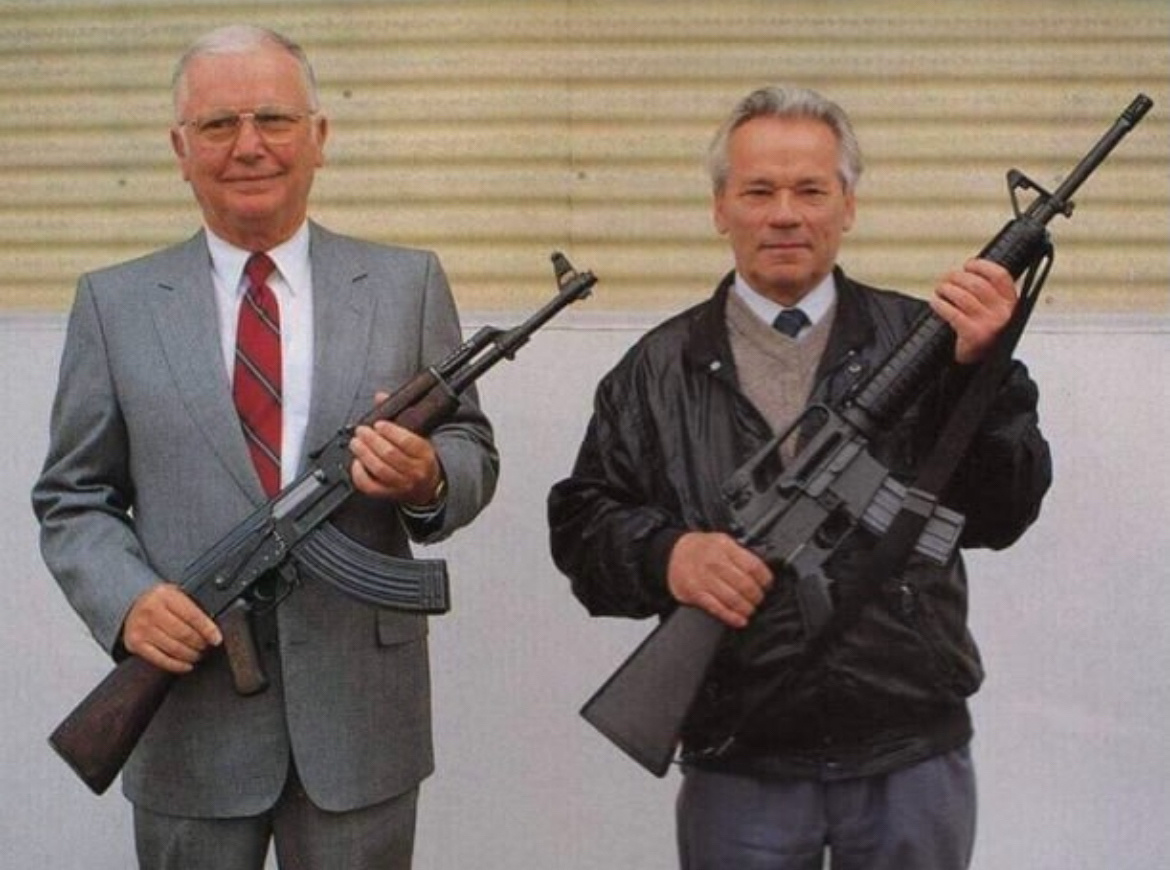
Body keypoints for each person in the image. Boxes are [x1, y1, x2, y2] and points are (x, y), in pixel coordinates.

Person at [547, 85, 1051, 869]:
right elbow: (584, 526)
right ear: (721, 208)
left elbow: (1002, 511)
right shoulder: (654, 370)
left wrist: (982, 376)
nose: (785, 214)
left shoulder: (930, 342)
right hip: (740, 758)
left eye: (811, 190)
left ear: (848, 206)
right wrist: (668, 556)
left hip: (908, 751)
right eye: (759, 191)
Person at [32, 25, 498, 870]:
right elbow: (74, 498)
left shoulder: (406, 284)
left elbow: (469, 446)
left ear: (319, 137)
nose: (249, 146)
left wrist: (428, 476)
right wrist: (129, 603)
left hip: (360, 724)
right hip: (189, 720)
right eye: (218, 125)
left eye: (275, 119)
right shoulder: (114, 304)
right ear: (180, 149)